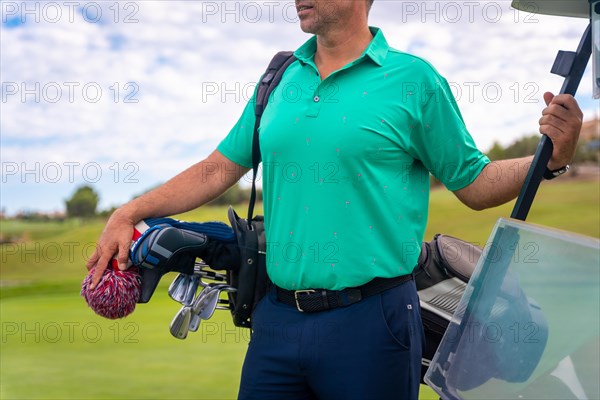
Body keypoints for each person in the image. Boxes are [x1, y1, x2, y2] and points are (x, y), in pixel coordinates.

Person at [86, 1, 584, 399]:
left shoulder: (414, 82)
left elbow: (474, 184)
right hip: (276, 320)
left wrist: (550, 159)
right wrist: (129, 212)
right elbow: (218, 168)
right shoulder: (280, 79)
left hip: (374, 320)